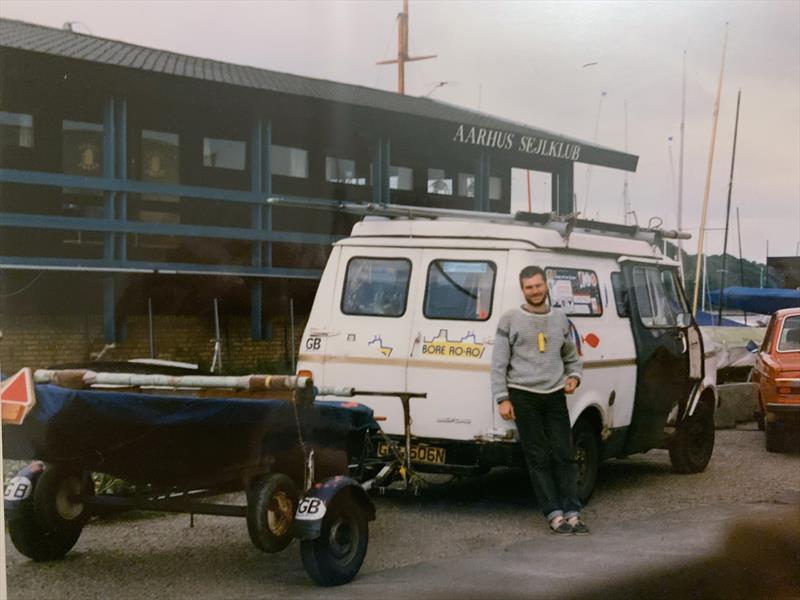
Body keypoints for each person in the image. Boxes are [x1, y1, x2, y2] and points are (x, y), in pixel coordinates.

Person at [490, 265, 588, 535]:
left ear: (546, 286)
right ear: (522, 290)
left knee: (565, 454)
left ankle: (573, 512)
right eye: (528, 287)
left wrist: (574, 377)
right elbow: (498, 363)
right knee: (538, 457)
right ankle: (554, 515)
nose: (534, 291)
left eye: (538, 285)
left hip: (554, 394)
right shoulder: (510, 319)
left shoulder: (560, 319)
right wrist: (503, 398)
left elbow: (571, 356)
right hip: (523, 395)